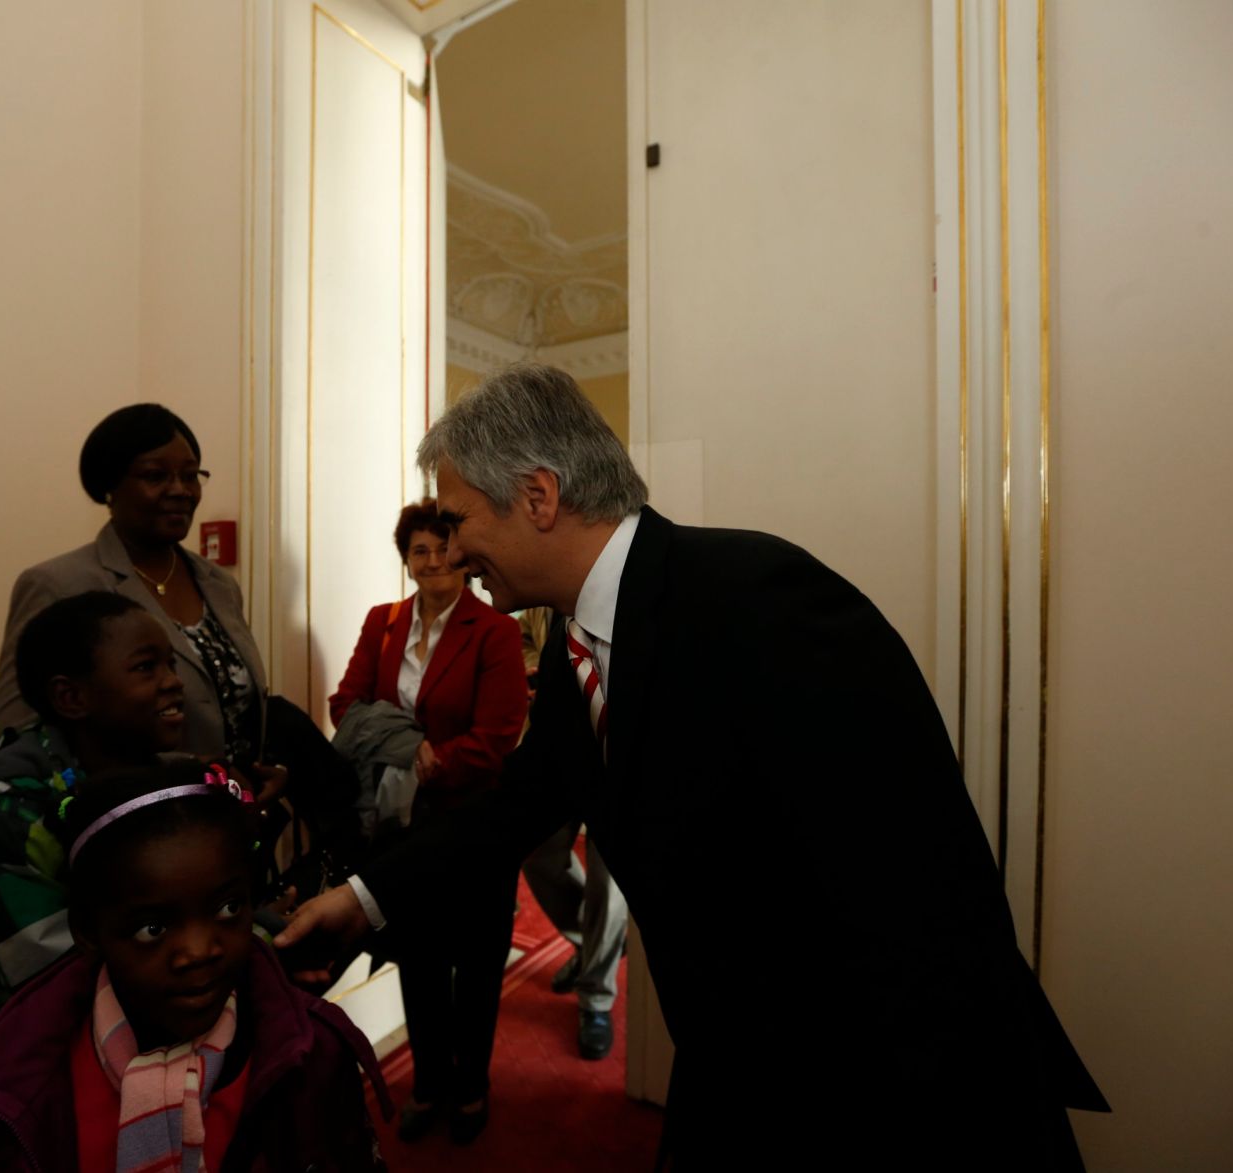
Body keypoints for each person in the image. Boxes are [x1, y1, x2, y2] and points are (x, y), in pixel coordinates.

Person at [279, 364, 1108, 1169]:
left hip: (881, 1094)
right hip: (743, 1069)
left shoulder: (760, 599)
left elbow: (909, 882)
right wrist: (362, 899)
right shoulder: (576, 645)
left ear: (536, 497)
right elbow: (514, 810)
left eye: (458, 522)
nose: (452, 553)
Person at [0, 761, 392, 1171]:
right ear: (88, 932)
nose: (199, 951)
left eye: (228, 909)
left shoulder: (310, 1055)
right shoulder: (17, 1077)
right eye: (152, 930)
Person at [0, 591, 187, 1172]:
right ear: (71, 698)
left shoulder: (148, 780)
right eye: (146, 667)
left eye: (172, 663)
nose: (174, 682)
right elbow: (56, 989)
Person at [326, 499, 529, 1146]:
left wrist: (432, 759)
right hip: (400, 826)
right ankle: (429, 1081)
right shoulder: (383, 623)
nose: (434, 559)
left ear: (463, 555)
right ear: (406, 559)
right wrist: (407, 746)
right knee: (417, 955)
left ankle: (472, 1084)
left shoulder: (494, 629)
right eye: (420, 549)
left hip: (475, 826)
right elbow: (345, 705)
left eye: (444, 546)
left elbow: (495, 737)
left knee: (475, 961)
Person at [0, 404, 268, 779]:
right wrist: (190, 774)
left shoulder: (220, 586)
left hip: (227, 822)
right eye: (155, 476)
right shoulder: (57, 584)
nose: (180, 490)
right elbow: (18, 738)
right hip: (130, 822)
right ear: (110, 487)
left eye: (190, 476)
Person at [516, 608, 630, 1062]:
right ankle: (594, 943)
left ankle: (596, 1000)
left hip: (615, 757)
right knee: (537, 854)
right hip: (554, 749)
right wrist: (532, 663)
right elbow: (527, 634)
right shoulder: (544, 593)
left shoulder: (624, 589)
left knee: (609, 882)